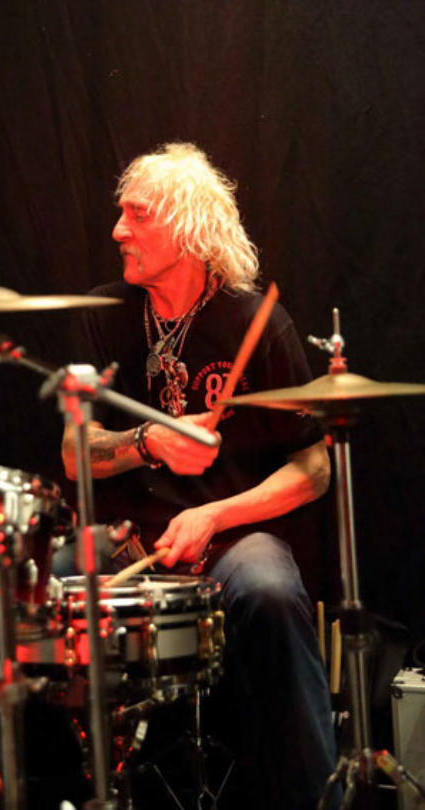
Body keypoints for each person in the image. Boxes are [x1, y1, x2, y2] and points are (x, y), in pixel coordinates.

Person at [57, 143, 338, 809]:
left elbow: (316, 466)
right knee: (45, 579)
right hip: (129, 542)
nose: (117, 230)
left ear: (185, 226)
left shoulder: (256, 321)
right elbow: (73, 453)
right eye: (121, 214)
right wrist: (148, 442)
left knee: (269, 589)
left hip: (233, 542)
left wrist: (214, 515)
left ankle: (315, 798)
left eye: (137, 215)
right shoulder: (102, 312)